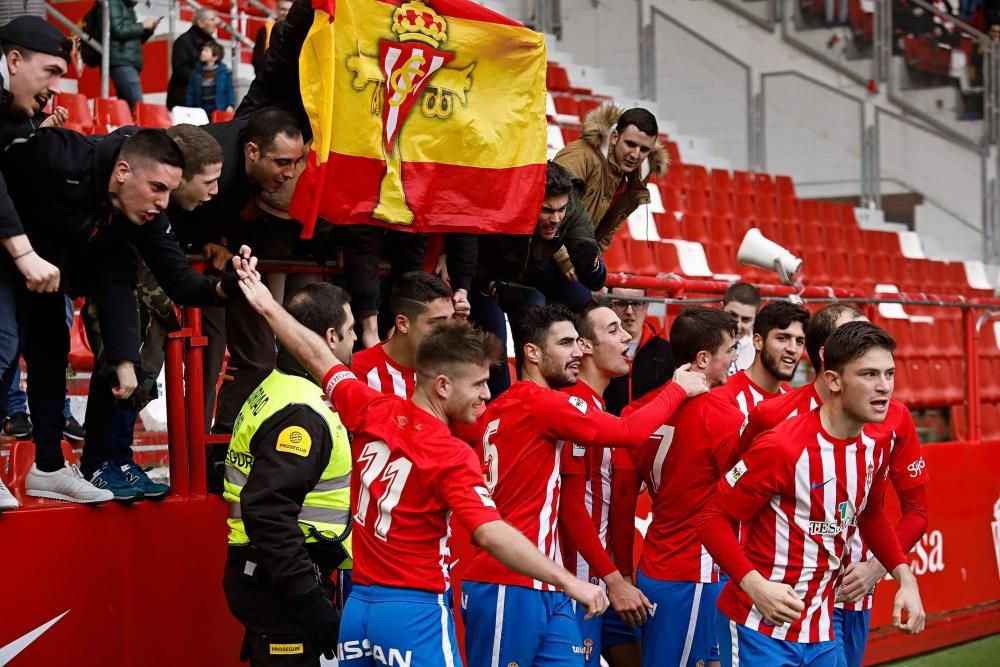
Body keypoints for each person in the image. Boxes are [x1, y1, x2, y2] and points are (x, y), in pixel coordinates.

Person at [232, 264, 610, 667]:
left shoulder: (371, 406)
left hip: (359, 611)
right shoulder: (450, 454)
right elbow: (492, 533)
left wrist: (268, 307)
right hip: (415, 613)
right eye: (478, 384)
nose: (486, 396)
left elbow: (315, 355)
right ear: (443, 385)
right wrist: (570, 582)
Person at [0, 127, 248, 504]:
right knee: (4, 344)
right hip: (7, 250)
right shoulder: (59, 154)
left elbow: (169, 282)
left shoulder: (138, 218)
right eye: (158, 188)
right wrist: (20, 251)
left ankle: (48, 466)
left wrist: (229, 285)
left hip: (49, 269)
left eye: (169, 191)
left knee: (50, 351)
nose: (164, 203)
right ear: (122, 173)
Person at [460, 304, 708, 667]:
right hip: (508, 579)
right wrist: (675, 389)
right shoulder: (546, 403)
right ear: (531, 352)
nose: (577, 351)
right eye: (565, 343)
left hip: (550, 581)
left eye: (577, 342)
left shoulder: (508, 406)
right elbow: (629, 433)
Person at [696, 322, 926, 666]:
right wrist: (755, 585)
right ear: (833, 380)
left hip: (821, 632)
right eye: (869, 375)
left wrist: (904, 577)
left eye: (889, 374)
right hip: (759, 629)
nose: (884, 388)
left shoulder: (876, 445)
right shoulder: (782, 446)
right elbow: (711, 517)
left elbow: (870, 514)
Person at [77, 124, 225, 500]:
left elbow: (178, 274)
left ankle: (121, 457)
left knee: (143, 369)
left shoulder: (161, 217)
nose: (214, 192)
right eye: (206, 182)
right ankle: (98, 461)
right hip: (114, 293)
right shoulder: (124, 192)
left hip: (152, 298)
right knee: (117, 362)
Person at [223, 283, 355, 666]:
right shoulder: (302, 411)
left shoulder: (277, 386)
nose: (353, 345)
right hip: (283, 584)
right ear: (330, 338)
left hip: (271, 573)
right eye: (349, 333)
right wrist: (307, 596)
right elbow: (266, 509)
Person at [613, 306, 741, 667]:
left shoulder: (636, 411)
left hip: (655, 567)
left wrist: (623, 573)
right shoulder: (724, 415)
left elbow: (622, 503)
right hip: (697, 572)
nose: (734, 360)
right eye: (729, 350)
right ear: (703, 358)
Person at [169, 108, 304, 436]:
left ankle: (224, 441)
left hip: (230, 262)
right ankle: (196, 452)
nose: (291, 173)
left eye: (296, 162)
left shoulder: (256, 152)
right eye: (282, 162)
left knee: (259, 358)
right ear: (253, 151)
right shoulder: (218, 167)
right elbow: (171, 210)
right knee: (206, 356)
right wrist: (202, 243)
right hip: (192, 263)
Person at [556, 301, 654, 667]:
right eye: (612, 330)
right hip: (578, 583)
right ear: (583, 346)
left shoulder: (600, 412)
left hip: (614, 581)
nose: (627, 335)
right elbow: (570, 506)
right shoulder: (567, 409)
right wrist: (615, 580)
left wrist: (622, 575)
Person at [470, 161, 605, 395]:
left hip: (529, 266)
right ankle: (499, 412)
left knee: (584, 302)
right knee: (497, 344)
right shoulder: (504, 203)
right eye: (547, 210)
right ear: (530, 201)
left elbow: (595, 279)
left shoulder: (571, 209)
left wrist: (590, 263)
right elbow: (468, 247)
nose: (555, 218)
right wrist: (489, 282)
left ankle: (576, 396)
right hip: (483, 271)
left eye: (560, 210)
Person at [553, 105, 666, 281]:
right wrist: (566, 259)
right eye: (630, 144)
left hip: (575, 259)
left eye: (644, 150)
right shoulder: (580, 156)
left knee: (597, 293)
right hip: (544, 252)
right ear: (614, 137)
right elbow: (548, 206)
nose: (635, 155)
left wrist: (591, 261)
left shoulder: (635, 178)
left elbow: (607, 230)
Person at [350, 271, 454, 399]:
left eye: (453, 319)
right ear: (403, 324)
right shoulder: (356, 373)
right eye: (439, 323)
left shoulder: (452, 370)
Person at [717, 300, 809, 417]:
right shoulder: (723, 398)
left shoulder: (797, 403)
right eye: (782, 338)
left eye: (799, 341)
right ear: (758, 341)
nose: (793, 349)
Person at [603, 287, 675, 416]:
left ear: (646, 306)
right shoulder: (598, 349)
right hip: (607, 430)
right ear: (610, 306)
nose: (629, 311)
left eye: (636, 303)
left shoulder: (668, 351)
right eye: (621, 303)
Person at [106, 0, 160, 111]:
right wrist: (142, 25)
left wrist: (148, 30)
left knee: (130, 108)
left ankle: (131, 128)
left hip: (127, 61)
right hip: (121, 61)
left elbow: (133, 40)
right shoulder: (114, 3)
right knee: (137, 107)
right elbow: (117, 31)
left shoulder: (128, 7)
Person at [166, 8, 218, 109]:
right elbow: (180, 71)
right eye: (211, 19)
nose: (215, 23)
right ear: (200, 23)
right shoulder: (183, 41)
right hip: (185, 101)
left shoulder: (213, 44)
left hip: (207, 100)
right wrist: (204, 76)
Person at [185, 41, 235, 116]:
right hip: (200, 110)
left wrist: (230, 105)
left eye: (206, 50)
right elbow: (190, 92)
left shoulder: (225, 72)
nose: (202, 52)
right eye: (202, 50)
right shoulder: (196, 73)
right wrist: (189, 107)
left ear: (215, 57)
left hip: (219, 108)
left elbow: (229, 90)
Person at [721, 282, 760, 375]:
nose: (737, 325)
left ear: (756, 318)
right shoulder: (700, 340)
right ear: (721, 307)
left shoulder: (761, 350)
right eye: (732, 315)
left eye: (746, 319)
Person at [252, 0, 292, 74]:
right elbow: (257, 58)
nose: (286, 13)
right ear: (276, 10)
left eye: (289, 10)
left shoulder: (300, 31)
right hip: (269, 78)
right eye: (282, 9)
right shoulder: (265, 30)